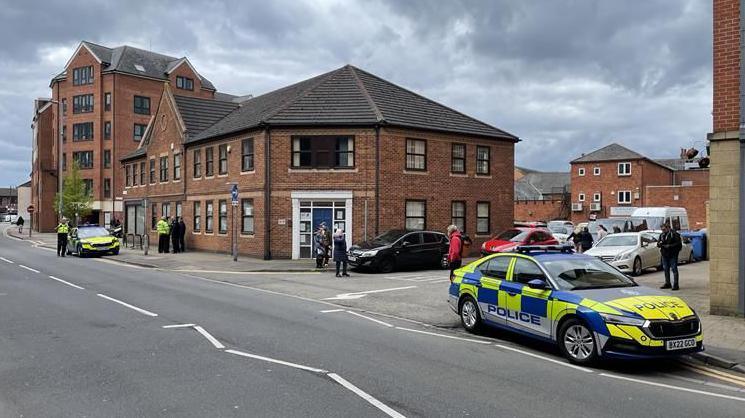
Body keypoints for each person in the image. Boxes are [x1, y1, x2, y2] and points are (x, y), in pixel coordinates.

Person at [657, 223, 682, 290]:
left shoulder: (674, 234)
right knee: (666, 269)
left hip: (672, 254)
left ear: (668, 228)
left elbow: (678, 244)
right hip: (664, 254)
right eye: (662, 229)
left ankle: (676, 285)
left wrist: (670, 246)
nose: (663, 231)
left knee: (674, 269)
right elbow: (658, 243)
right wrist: (659, 244)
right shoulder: (662, 235)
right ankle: (667, 283)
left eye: (664, 229)